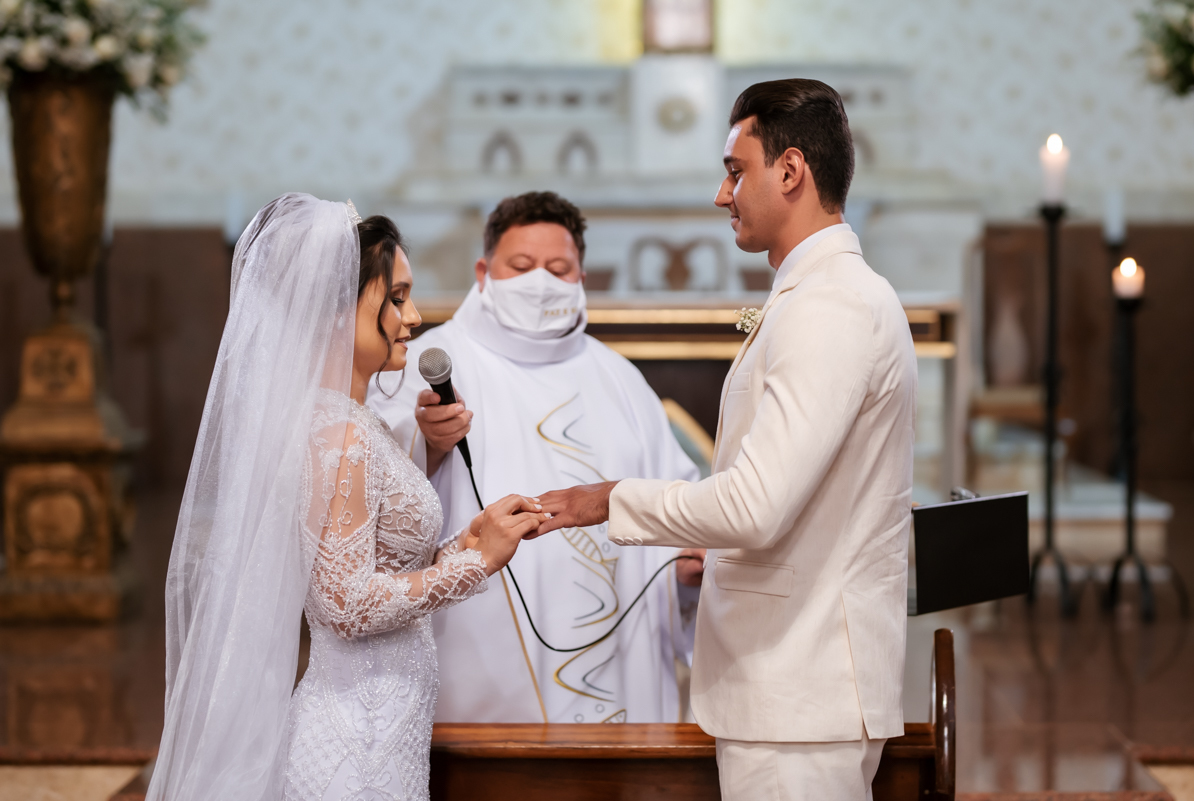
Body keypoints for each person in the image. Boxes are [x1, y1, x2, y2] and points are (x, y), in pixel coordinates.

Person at [534, 79, 917, 800]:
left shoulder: (831, 304)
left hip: (800, 691)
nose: (722, 195)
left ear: (791, 170)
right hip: (791, 685)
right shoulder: (819, 293)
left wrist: (608, 499)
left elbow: (755, 506)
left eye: (736, 171)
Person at [146, 194, 545, 801]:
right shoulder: (340, 434)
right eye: (396, 298)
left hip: (382, 735)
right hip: (356, 746)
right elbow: (345, 605)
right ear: (336, 310)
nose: (413, 318)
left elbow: (371, 569)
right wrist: (476, 566)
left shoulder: (356, 424)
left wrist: (463, 545)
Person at [367, 192, 703, 725]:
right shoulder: (428, 364)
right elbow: (368, 497)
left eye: (558, 269)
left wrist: (683, 571)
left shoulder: (621, 380)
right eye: (521, 267)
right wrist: (427, 445)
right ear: (483, 273)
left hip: (622, 654)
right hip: (483, 665)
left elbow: (675, 515)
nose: (540, 281)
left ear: (581, 278)